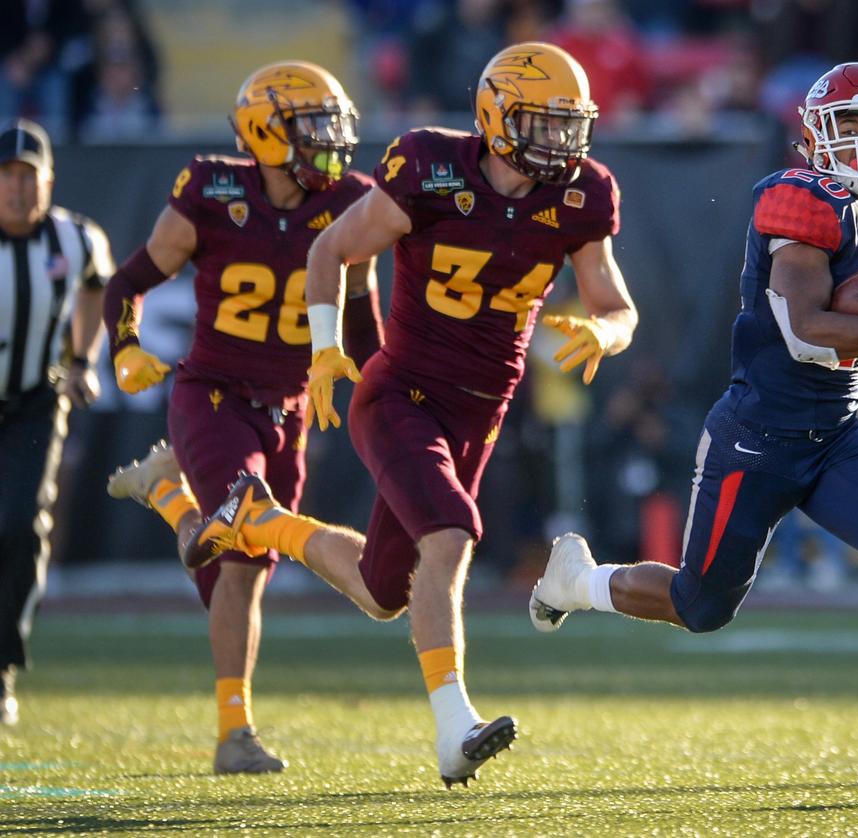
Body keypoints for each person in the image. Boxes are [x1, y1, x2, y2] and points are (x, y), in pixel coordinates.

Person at [184, 41, 638, 787]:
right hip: (402, 391)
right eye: (543, 124)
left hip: (481, 410)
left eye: (569, 126)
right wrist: (331, 347)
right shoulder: (431, 166)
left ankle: (262, 521)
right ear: (495, 117)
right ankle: (455, 726)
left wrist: (606, 333)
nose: (560, 143)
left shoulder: (582, 193)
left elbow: (615, 304)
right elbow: (333, 248)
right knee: (452, 536)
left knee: (382, 591)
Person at [528, 62, 858, 792]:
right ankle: (578, 581)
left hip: (834, 432)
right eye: (853, 122)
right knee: (700, 605)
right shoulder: (795, 200)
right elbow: (806, 332)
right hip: (757, 434)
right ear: (812, 132)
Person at [102, 61, 379, 773]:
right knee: (248, 520)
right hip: (214, 394)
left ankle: (169, 494)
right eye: (311, 126)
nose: (329, 141)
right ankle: (235, 733)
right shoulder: (211, 190)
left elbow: (362, 317)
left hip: (288, 409)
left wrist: (389, 384)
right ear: (264, 130)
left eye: (331, 124)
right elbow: (130, 280)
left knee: (236, 568)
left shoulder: (350, 199)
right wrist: (125, 344)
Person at [0, 118, 113, 725]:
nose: (18, 189)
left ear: (49, 180)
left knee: (19, 526)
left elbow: (96, 289)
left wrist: (82, 358)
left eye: (29, 176)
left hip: (35, 401)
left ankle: (1, 666)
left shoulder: (75, 238)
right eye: (7, 176)